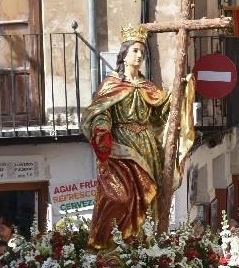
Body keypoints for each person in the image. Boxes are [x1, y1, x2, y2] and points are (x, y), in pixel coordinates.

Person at [81, 25, 196, 248]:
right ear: (124, 54)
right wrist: (102, 129)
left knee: (145, 198)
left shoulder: (147, 87)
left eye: (142, 51)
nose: (140, 55)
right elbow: (101, 112)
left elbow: (163, 111)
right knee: (118, 197)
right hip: (119, 147)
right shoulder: (111, 85)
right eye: (135, 50)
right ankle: (108, 245)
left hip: (145, 147)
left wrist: (182, 88)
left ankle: (139, 246)